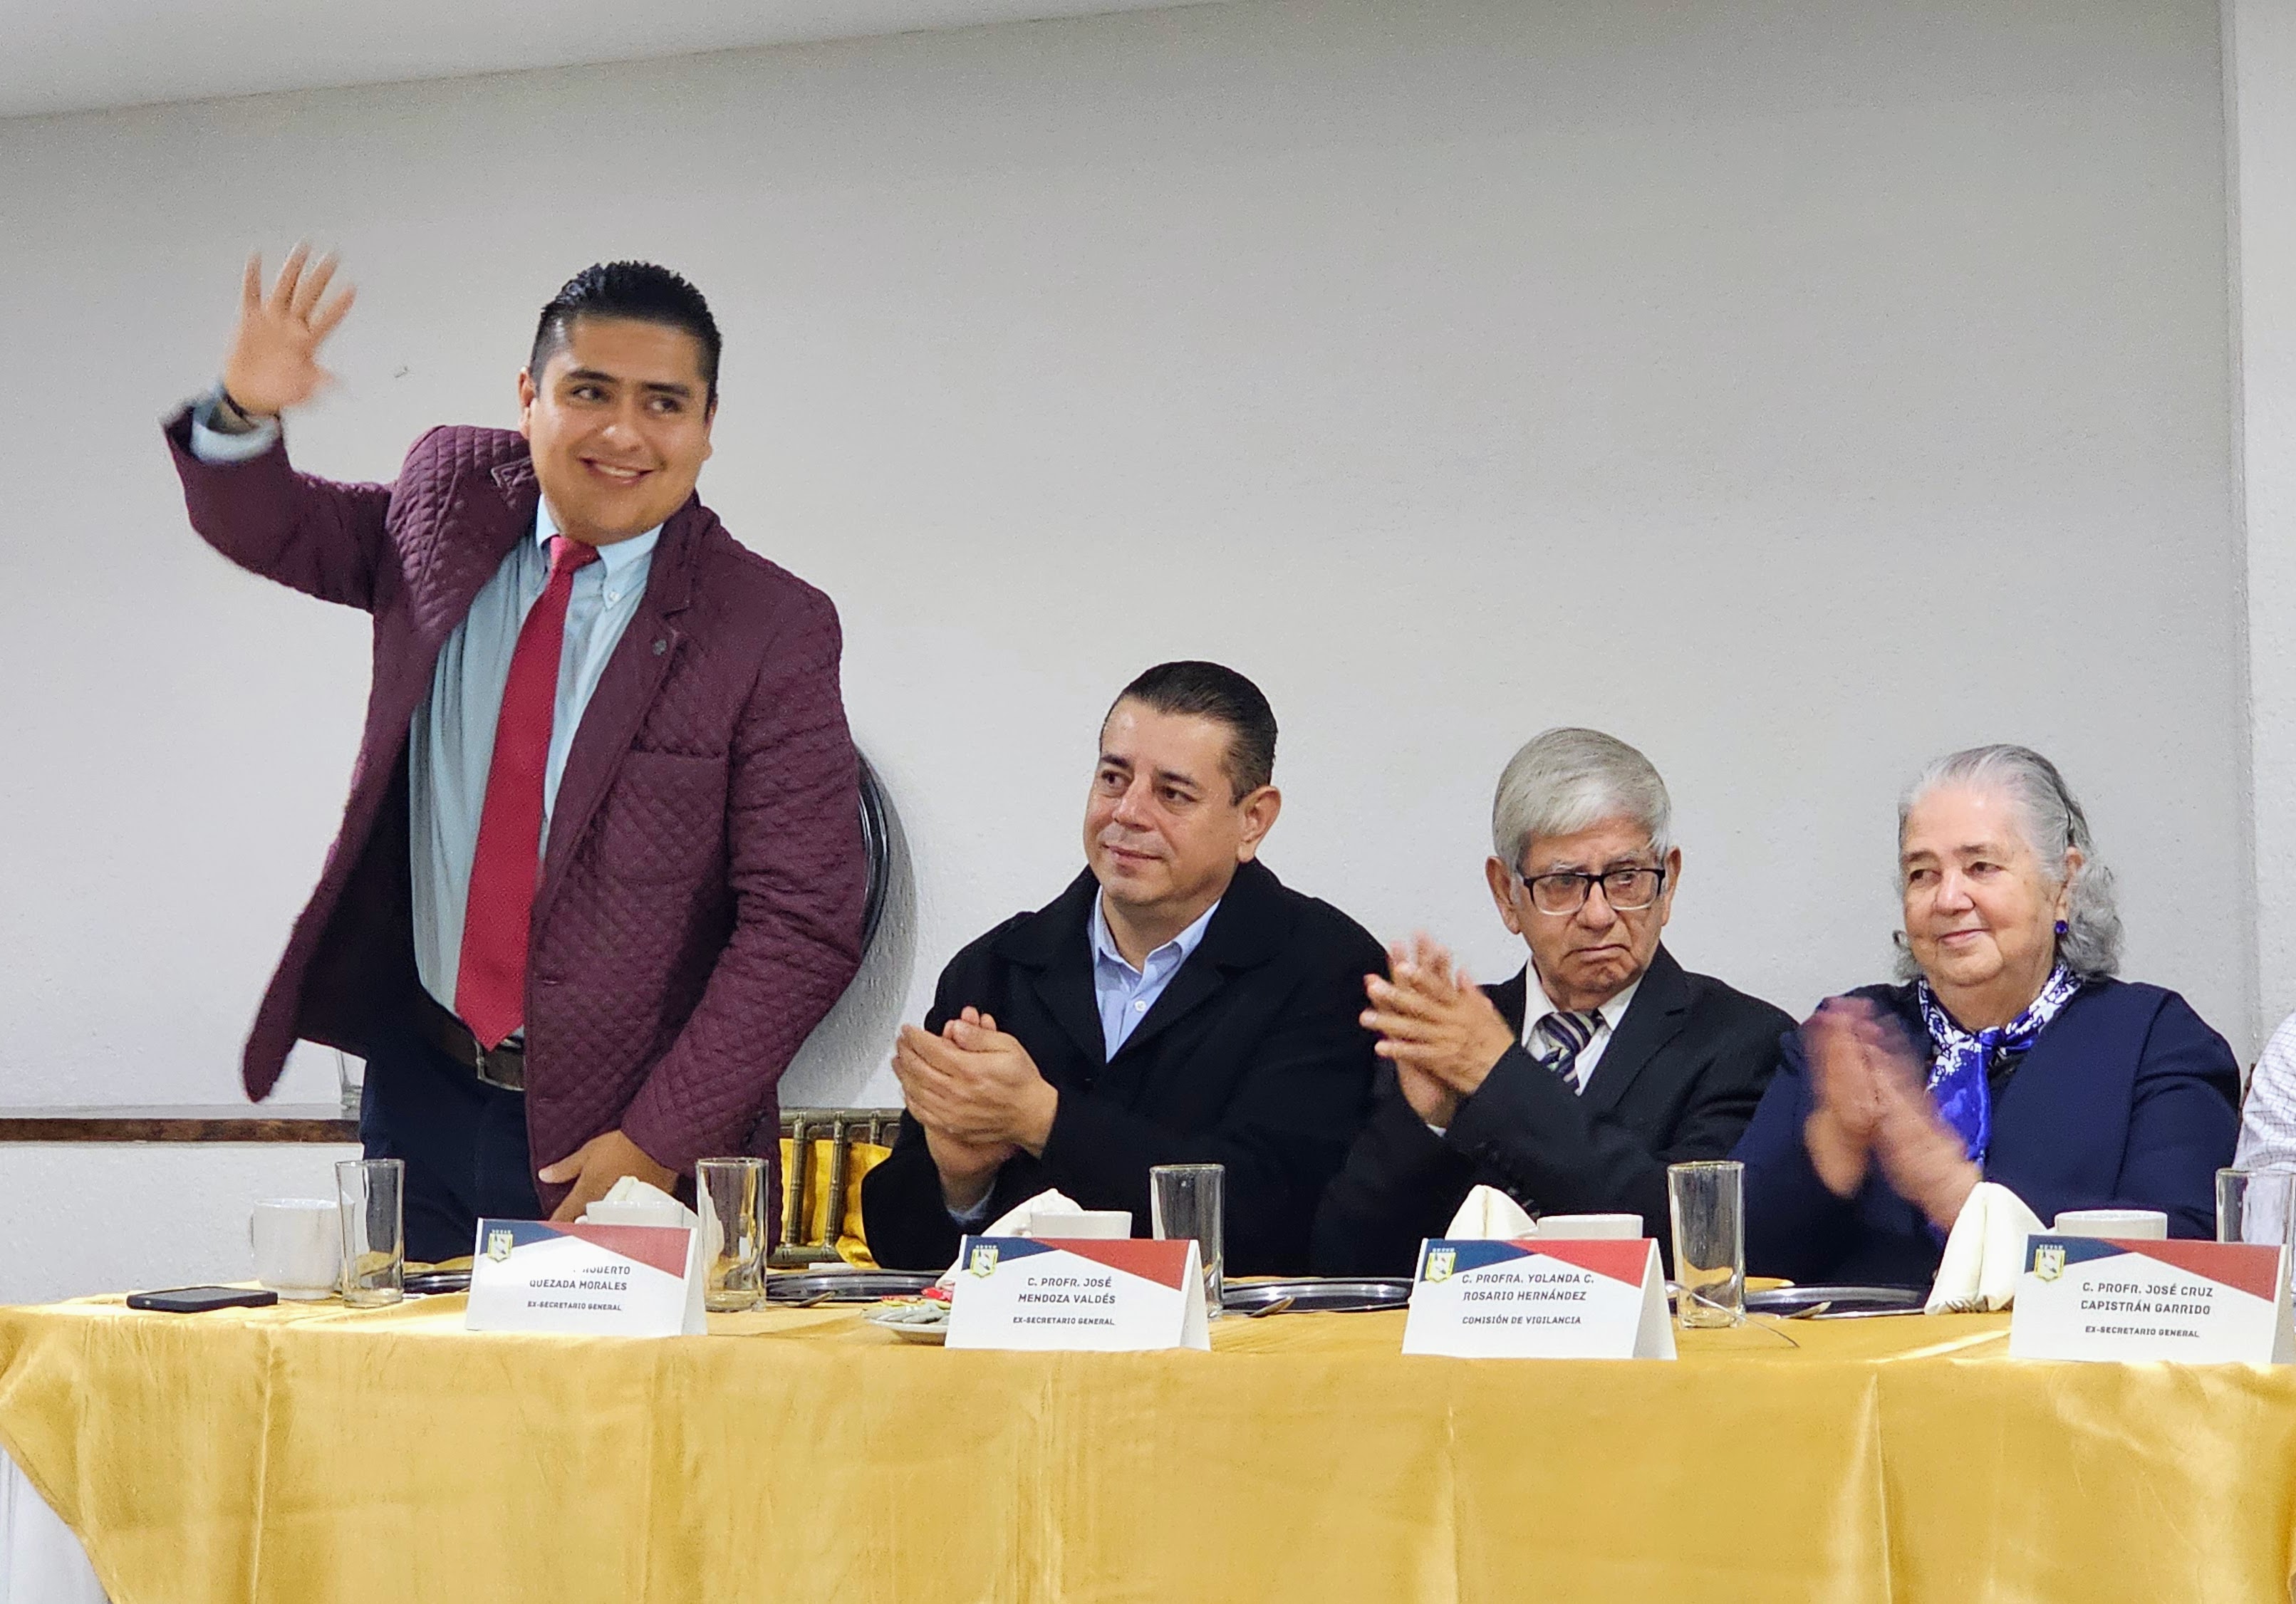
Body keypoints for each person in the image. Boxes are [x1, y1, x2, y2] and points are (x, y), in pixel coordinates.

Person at [166, 249, 866, 1259]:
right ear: (530, 397)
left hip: (626, 1134)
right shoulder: (450, 500)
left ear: (708, 425)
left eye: (663, 403)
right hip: (421, 1092)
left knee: (608, 1377)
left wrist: (657, 1141)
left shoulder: (768, 625)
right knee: (407, 1364)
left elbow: (802, 925)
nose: (623, 433)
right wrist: (242, 410)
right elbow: (279, 530)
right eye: (589, 392)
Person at [860, 662, 1383, 1276]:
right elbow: (905, 1259)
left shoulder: (1329, 969)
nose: (1128, 813)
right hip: (1026, 1333)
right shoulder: (997, 969)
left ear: (1253, 820)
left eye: (1172, 794)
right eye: (1113, 778)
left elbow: (1282, 1219)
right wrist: (960, 1178)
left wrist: (1044, 1120)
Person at [1737, 744, 2239, 1287]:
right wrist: (1832, 1149)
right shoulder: (1857, 1036)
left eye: (1981, 867)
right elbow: (1733, 1266)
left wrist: (1952, 1192)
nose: (1948, 899)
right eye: (1922, 874)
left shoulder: (2154, 1039)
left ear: (2063, 885)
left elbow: (2183, 1268)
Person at [1311, 728, 1792, 1274]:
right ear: (1506, 894)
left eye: (1626, 878)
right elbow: (1343, 1264)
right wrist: (1428, 1123)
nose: (1598, 914)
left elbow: (1691, 1242)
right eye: (1563, 882)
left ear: (1668, 883)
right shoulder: (1448, 1039)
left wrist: (1498, 1076)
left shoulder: (1741, 1042)